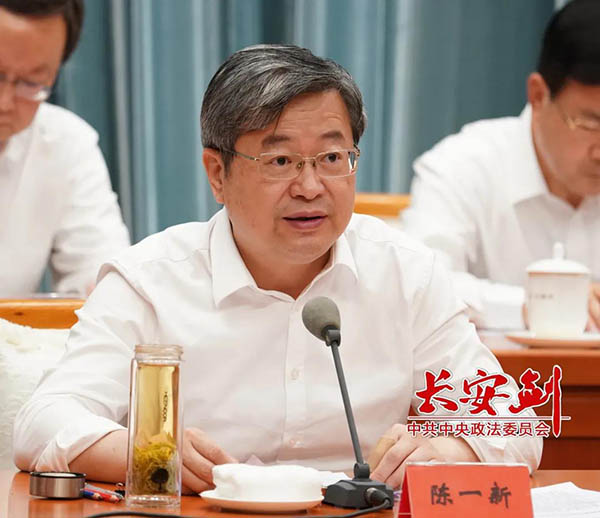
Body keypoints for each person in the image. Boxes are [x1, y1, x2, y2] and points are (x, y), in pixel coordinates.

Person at [14, 44, 541, 493]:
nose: (310, 187)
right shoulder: (149, 282)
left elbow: (515, 425)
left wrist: (448, 451)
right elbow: (42, 424)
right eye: (280, 161)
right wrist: (148, 452)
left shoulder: (407, 274)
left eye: (332, 159)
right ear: (217, 173)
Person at [402, 0, 600, 331]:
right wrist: (546, 304)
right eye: (591, 123)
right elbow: (420, 285)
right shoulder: (461, 166)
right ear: (538, 95)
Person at [0, 0, 129, 296]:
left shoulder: (65, 144)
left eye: (31, 83)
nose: (4, 102)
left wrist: (106, 293)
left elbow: (99, 270)